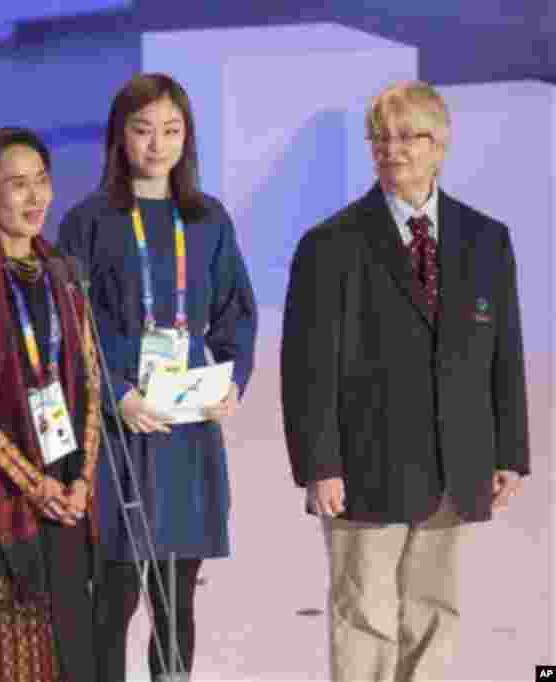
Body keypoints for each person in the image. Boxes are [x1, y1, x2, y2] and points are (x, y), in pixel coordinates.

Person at [280, 80, 529, 682]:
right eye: (380, 138)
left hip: (456, 459)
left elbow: (505, 353)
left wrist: (509, 452)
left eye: (408, 137)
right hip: (364, 464)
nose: (392, 150)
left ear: (440, 146)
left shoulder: (486, 240)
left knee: (436, 608)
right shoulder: (329, 244)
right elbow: (306, 367)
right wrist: (319, 464)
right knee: (363, 611)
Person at [58, 73, 258, 682]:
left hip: (185, 431)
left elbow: (235, 313)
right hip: (117, 432)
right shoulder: (88, 221)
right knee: (112, 592)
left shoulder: (207, 218)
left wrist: (232, 382)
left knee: (178, 594)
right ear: (119, 137)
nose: (157, 145)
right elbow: (70, 324)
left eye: (172, 131)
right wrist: (115, 393)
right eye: (143, 130)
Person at [0, 127, 103, 682]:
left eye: (43, 182)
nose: (36, 198)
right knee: (3, 649)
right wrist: (34, 484)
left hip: (65, 484)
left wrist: (83, 480)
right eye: (18, 185)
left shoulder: (62, 272)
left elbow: (92, 383)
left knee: (71, 644)